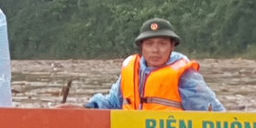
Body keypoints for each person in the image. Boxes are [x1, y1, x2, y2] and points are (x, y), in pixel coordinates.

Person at [85, 18, 226, 111]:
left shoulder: (185, 76)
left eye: (162, 44)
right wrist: (90, 106)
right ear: (142, 47)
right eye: (149, 44)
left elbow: (214, 112)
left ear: (172, 47)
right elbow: (112, 103)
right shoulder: (132, 70)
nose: (155, 50)